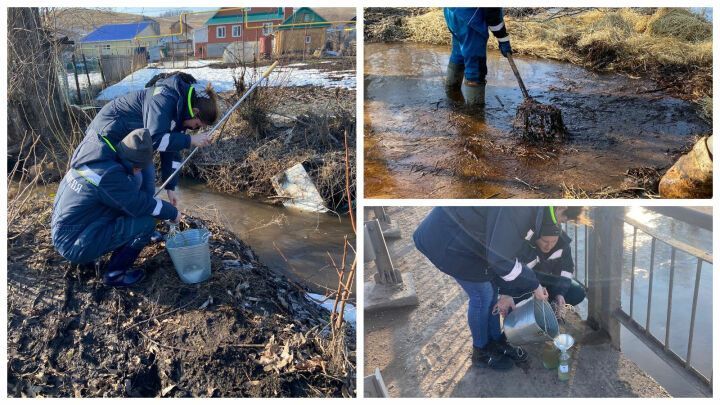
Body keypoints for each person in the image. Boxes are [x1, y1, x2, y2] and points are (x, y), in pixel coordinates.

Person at [413, 206, 586, 371]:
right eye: (563, 218)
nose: (560, 224)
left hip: (470, 241)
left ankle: (496, 341)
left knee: (490, 291)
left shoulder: (535, 213)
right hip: (448, 240)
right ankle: (481, 350)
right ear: (561, 208)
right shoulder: (521, 210)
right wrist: (534, 285)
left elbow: (503, 253)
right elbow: (501, 258)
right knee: (482, 296)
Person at [51, 129, 180, 287]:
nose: (139, 171)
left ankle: (94, 251)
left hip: (65, 229)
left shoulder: (96, 155)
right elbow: (140, 205)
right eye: (139, 168)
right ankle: (115, 275)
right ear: (131, 162)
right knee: (145, 223)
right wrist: (172, 213)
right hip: (74, 244)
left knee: (129, 198)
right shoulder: (108, 176)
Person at [84, 72, 219, 207]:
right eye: (196, 125)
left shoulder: (181, 111)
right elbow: (155, 139)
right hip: (109, 134)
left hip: (132, 142)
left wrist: (170, 187)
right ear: (194, 112)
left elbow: (171, 149)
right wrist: (189, 140)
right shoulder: (163, 99)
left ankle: (143, 216)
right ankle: (126, 218)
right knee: (135, 179)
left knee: (148, 182)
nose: (193, 129)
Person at [495, 208, 588, 319]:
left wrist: (560, 293)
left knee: (577, 291)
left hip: (547, 285)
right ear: (536, 236)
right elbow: (510, 271)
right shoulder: (524, 245)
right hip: (525, 288)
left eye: (553, 242)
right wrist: (506, 294)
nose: (548, 246)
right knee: (511, 309)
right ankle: (533, 313)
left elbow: (566, 271)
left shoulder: (563, 244)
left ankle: (550, 312)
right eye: (545, 241)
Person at [444, 7, 513, 105]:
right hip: (470, 18)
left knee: (459, 53)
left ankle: (452, 92)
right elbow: (492, 12)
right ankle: (475, 113)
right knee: (475, 66)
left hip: (451, 11)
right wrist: (502, 38)